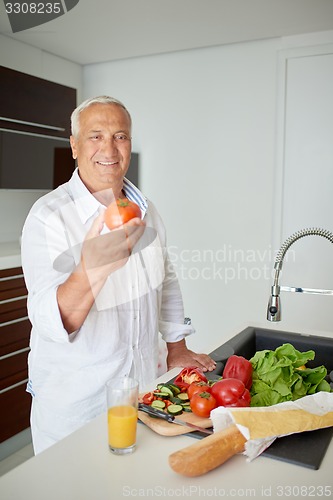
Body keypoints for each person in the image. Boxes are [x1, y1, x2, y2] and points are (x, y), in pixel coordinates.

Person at [21, 95, 216, 454]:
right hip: (77, 404)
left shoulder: (146, 210)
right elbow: (53, 321)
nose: (109, 147)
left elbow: (166, 279)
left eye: (120, 136)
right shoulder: (48, 216)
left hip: (141, 392)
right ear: (75, 146)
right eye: (95, 135)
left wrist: (178, 347)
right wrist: (91, 269)